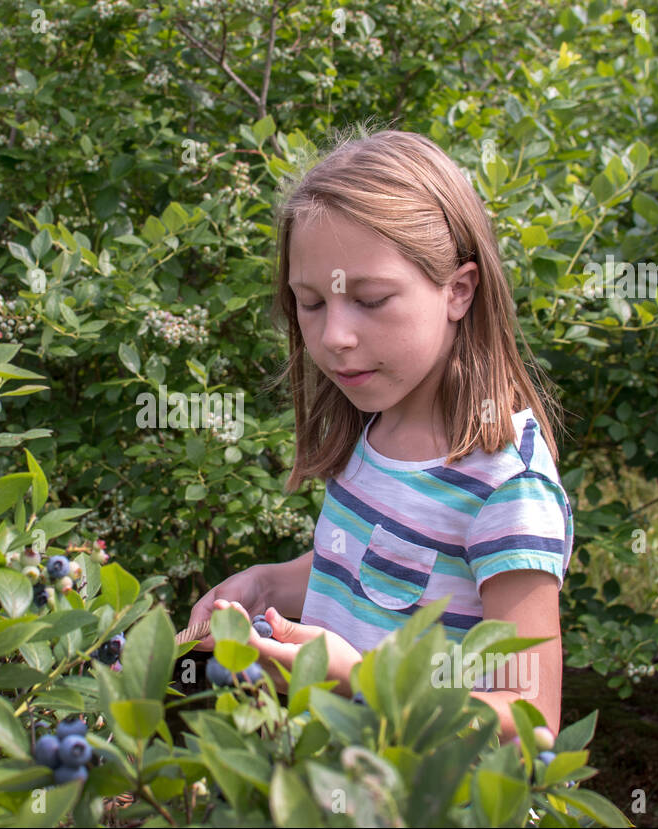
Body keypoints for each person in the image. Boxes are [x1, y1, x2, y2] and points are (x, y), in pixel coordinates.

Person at [188, 126, 572, 742]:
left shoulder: (505, 486)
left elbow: (530, 717)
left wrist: (357, 678)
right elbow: (371, 567)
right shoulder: (377, 429)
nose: (335, 336)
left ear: (458, 290)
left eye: (369, 299)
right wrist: (266, 582)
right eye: (310, 303)